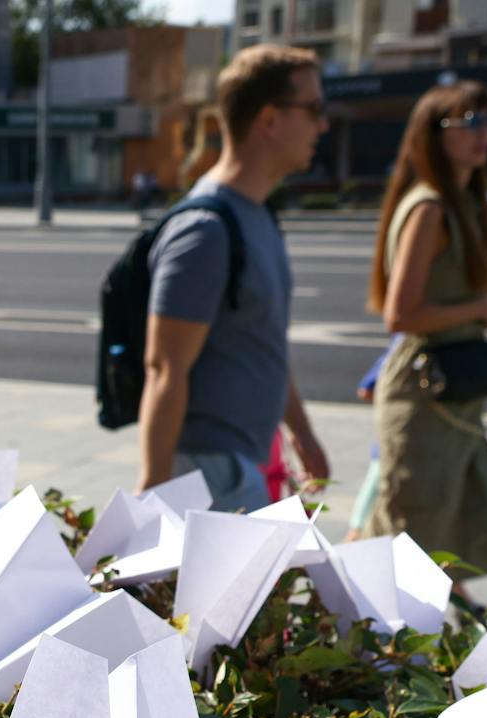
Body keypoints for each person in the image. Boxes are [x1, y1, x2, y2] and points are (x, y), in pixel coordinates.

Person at [137, 45, 331, 512]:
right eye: (313, 110)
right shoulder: (206, 230)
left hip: (244, 464)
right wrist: (153, 492)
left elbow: (261, 342)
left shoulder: (258, 216)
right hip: (209, 474)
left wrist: (301, 434)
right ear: (269, 119)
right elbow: (165, 368)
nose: (322, 125)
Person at [361, 82, 487, 605]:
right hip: (427, 389)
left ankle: (446, 611)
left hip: (446, 390)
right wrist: (480, 309)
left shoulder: (457, 203)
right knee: (412, 532)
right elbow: (400, 315)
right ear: (434, 134)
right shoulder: (430, 208)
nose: (483, 135)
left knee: (435, 521)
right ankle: (380, 652)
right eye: (468, 123)